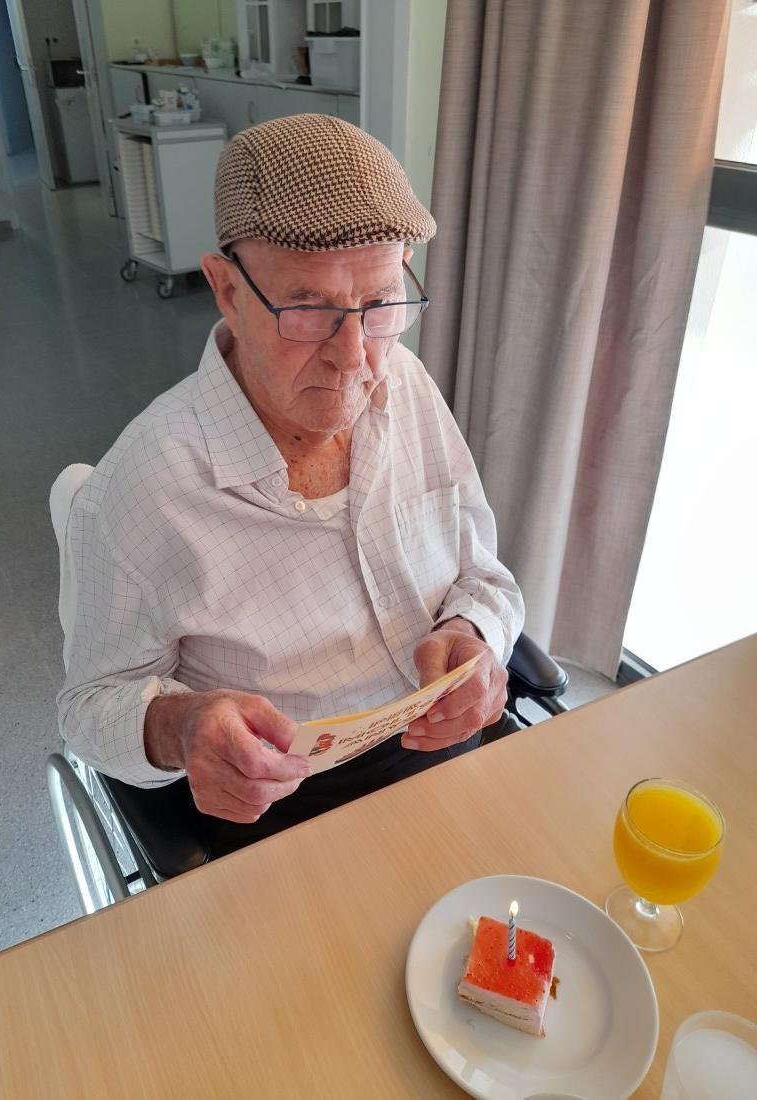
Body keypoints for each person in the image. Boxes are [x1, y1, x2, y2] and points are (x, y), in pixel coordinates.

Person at [57, 114, 524, 858]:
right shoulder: (144, 487)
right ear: (225, 289)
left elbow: (482, 572)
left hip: (450, 753)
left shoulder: (404, 382)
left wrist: (474, 634)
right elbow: (88, 708)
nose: (354, 357)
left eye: (380, 304)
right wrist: (182, 726)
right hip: (286, 807)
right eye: (307, 309)